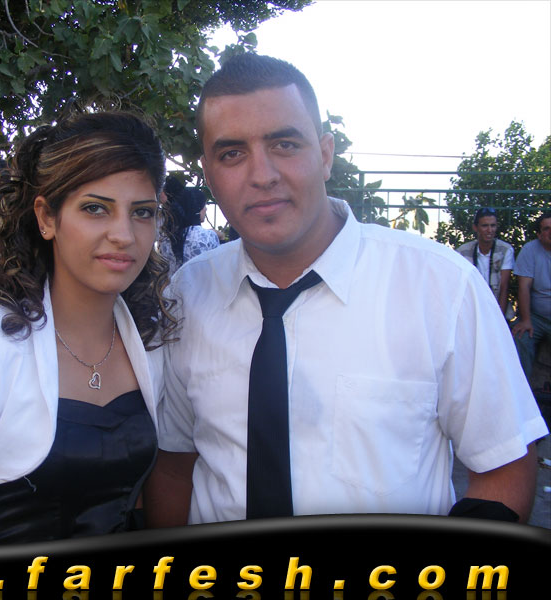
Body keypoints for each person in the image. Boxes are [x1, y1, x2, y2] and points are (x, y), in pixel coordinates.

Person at [145, 53, 547, 526]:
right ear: (209, 174)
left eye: (285, 144)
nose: (262, 175)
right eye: (232, 153)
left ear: (325, 154)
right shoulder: (186, 296)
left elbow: (504, 461)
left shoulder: (440, 288)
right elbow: (174, 467)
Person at [0, 111, 176, 546]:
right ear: (46, 217)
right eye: (95, 208)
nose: (123, 234)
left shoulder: (152, 344)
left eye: (142, 212)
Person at [512, 211, 551, 381]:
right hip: (536, 317)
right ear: (539, 234)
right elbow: (524, 287)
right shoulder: (530, 250)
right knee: (521, 339)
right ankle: (522, 391)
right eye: (546, 229)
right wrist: (526, 320)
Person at [456, 207, 515, 316]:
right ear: (475, 227)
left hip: (496, 305)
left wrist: (499, 318)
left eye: (493, 225)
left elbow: (504, 287)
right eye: (485, 226)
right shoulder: (463, 252)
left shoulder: (505, 250)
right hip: (472, 307)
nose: (490, 230)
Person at [158, 176, 220, 273]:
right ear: (197, 208)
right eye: (204, 205)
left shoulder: (166, 237)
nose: (206, 209)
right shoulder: (208, 236)